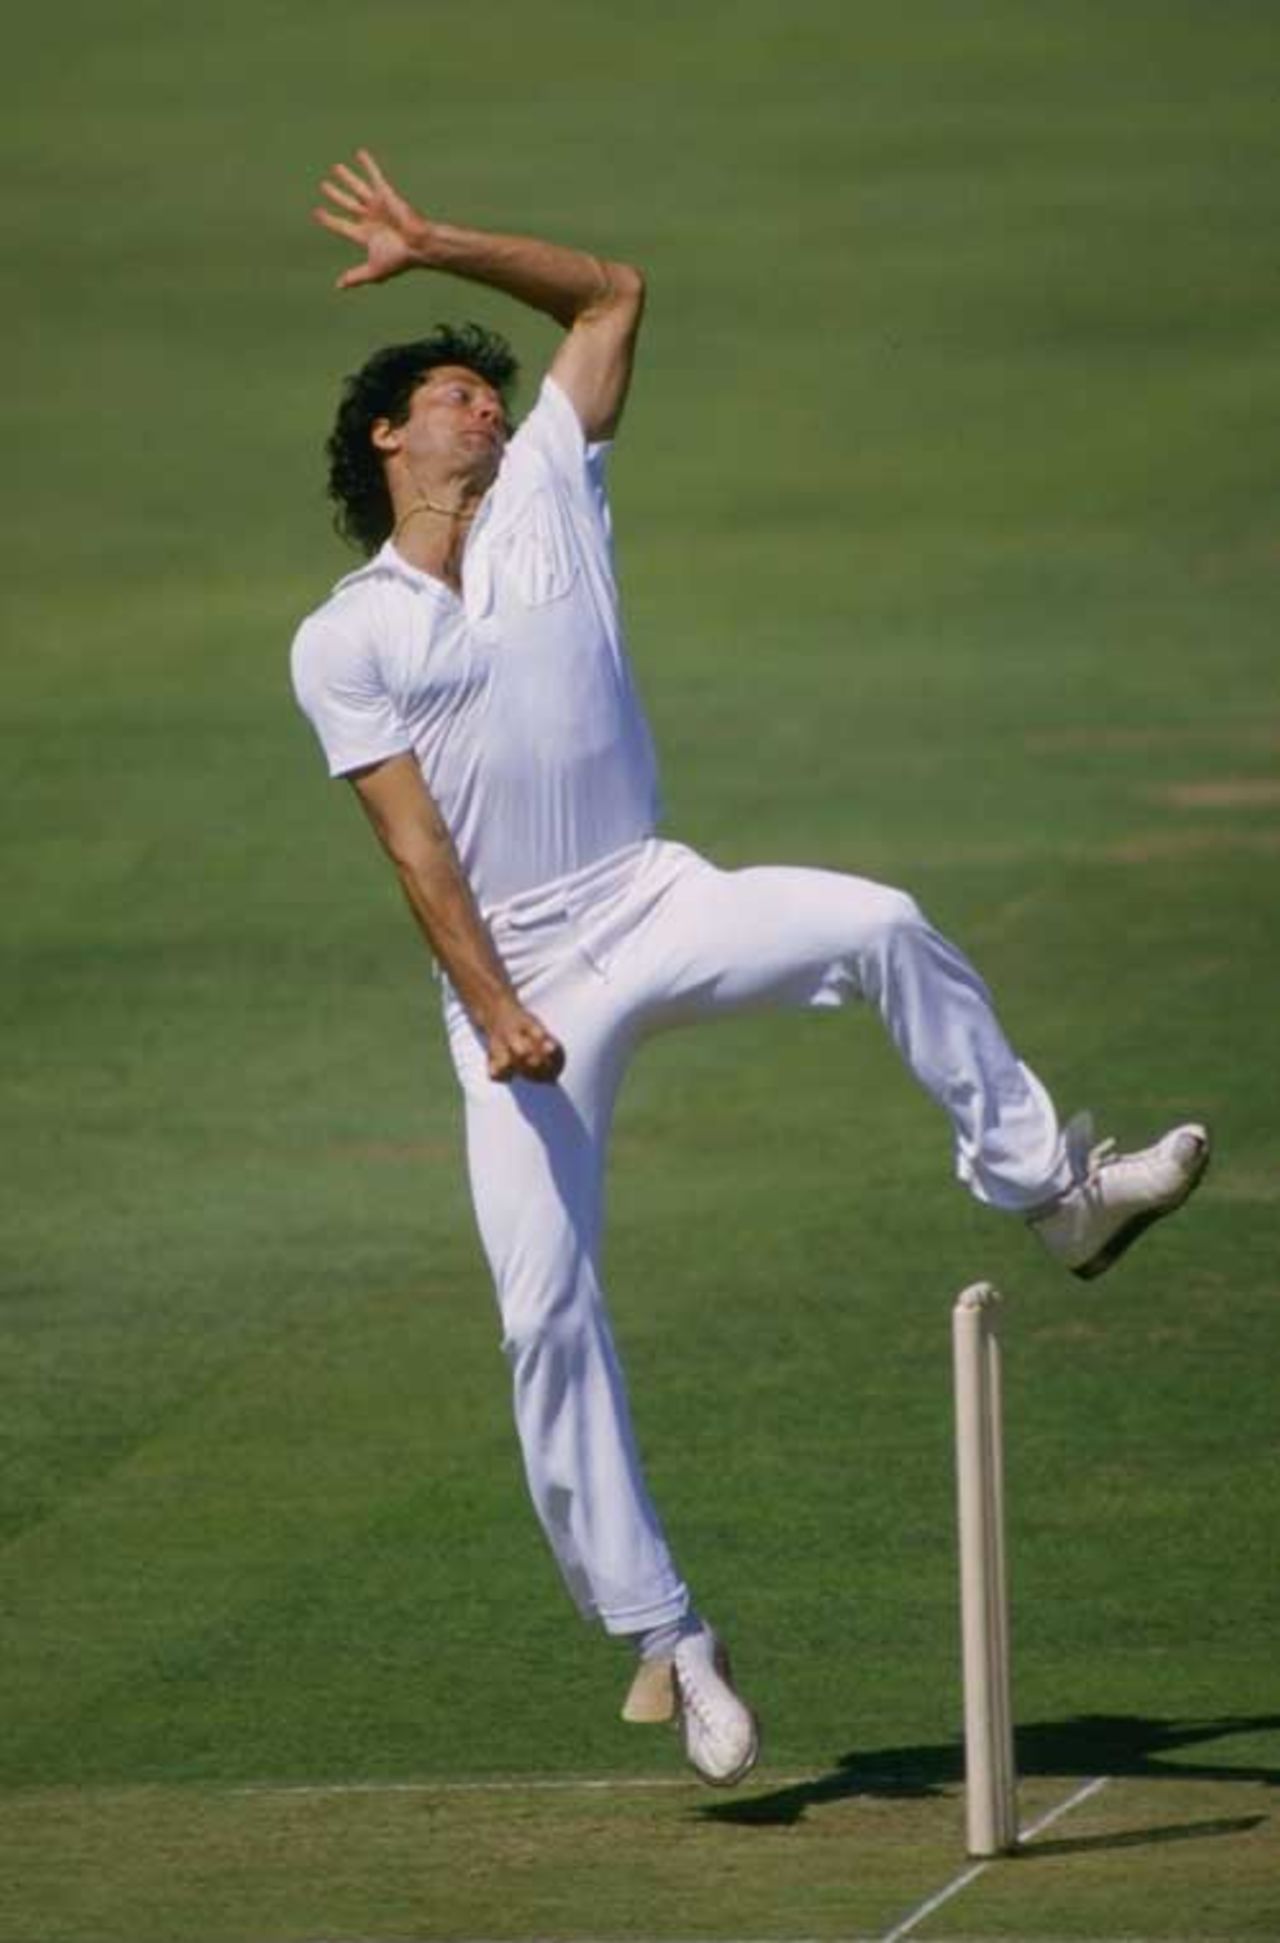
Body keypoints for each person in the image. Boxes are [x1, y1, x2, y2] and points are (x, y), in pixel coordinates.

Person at [290, 150, 1210, 1788]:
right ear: (388, 436)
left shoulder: (557, 482)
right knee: (543, 1310)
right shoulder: (345, 632)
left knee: (875, 918)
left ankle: (1052, 1191)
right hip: (519, 985)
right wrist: (499, 1007)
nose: (485, 412)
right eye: (449, 395)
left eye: (491, 396)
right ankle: (671, 1640)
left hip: (650, 894)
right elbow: (415, 848)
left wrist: (440, 244)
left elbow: (612, 289)